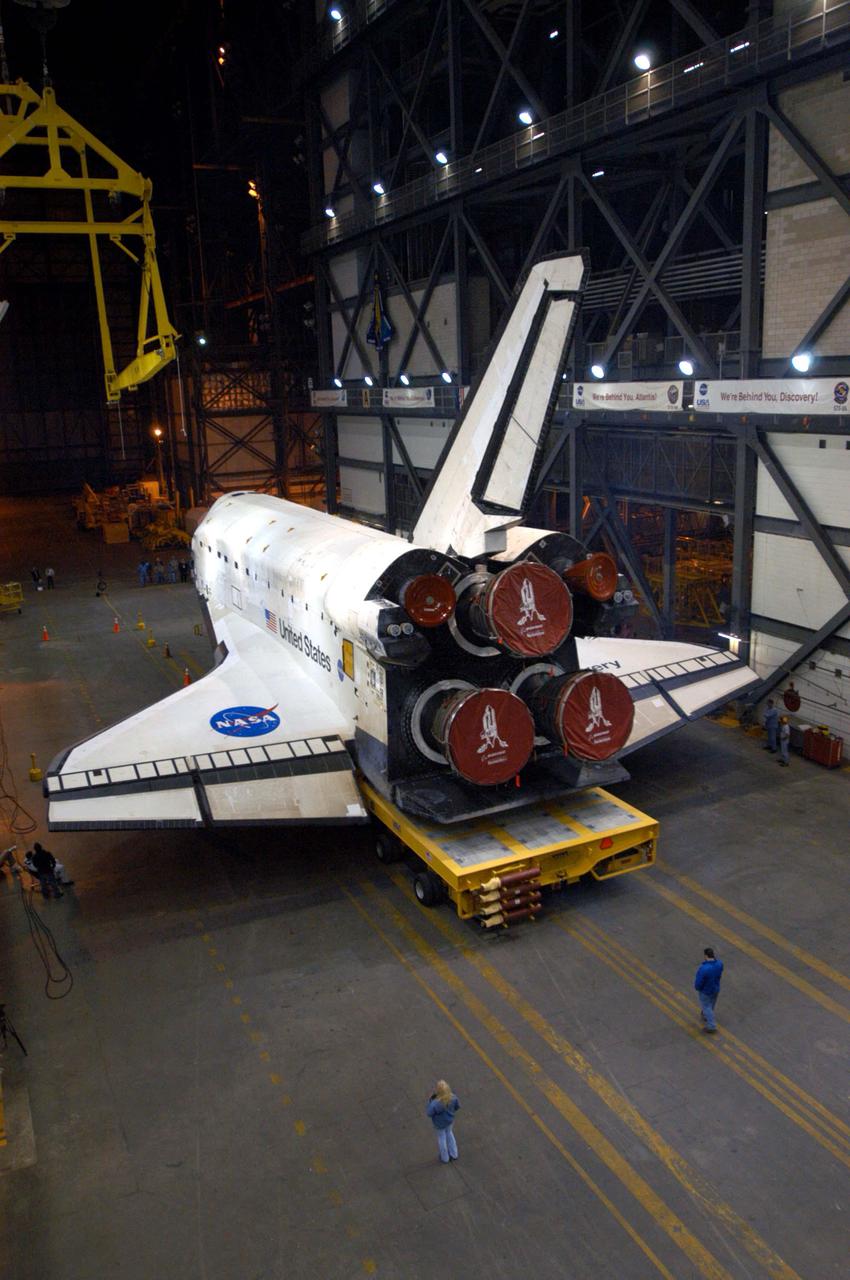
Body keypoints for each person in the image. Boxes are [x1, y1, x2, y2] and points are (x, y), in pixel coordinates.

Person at [426, 1080, 460, 1163]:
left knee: (442, 1138)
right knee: (450, 1134)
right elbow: (457, 1106)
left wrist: (430, 1101)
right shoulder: (453, 1097)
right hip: (449, 1121)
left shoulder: (435, 1103)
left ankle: (445, 1158)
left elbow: (429, 1113)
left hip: (439, 1124)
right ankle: (454, 1154)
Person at [694, 946, 723, 1033]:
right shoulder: (719, 964)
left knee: (706, 1006)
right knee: (711, 1004)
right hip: (716, 988)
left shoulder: (704, 968)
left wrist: (697, 987)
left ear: (706, 956)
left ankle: (711, 1025)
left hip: (705, 991)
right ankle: (707, 1016)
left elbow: (699, 981)